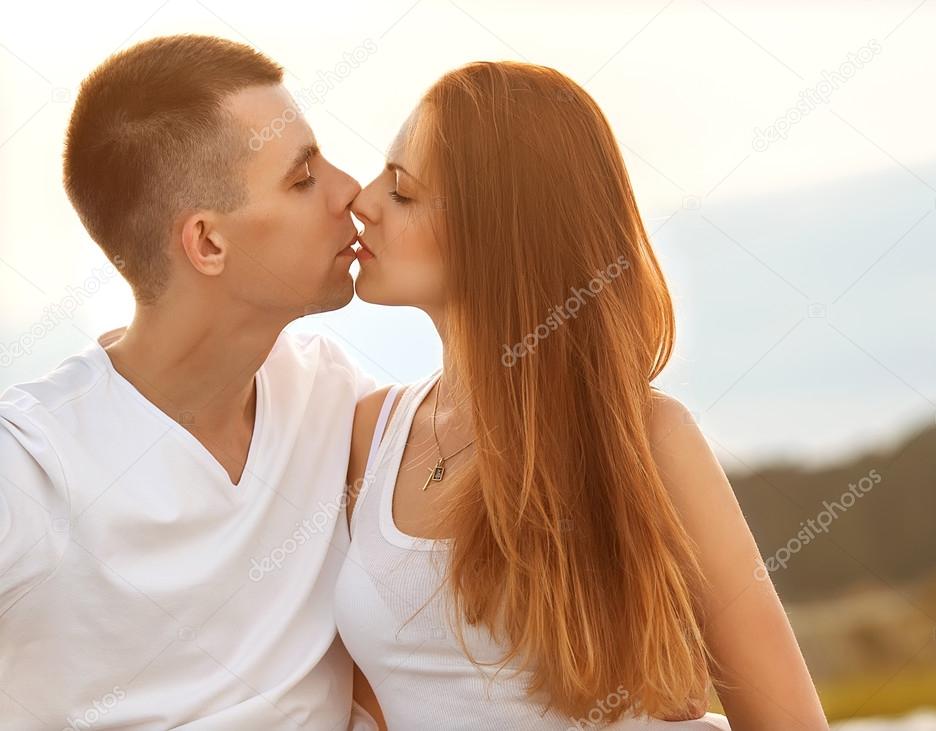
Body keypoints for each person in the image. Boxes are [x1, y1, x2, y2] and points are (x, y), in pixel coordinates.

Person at [336, 61, 830, 730]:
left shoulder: (649, 438)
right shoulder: (371, 430)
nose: (360, 200)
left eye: (401, 189)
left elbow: (787, 721)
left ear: (497, 228)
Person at [0, 35, 378, 729]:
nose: (350, 189)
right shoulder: (29, 464)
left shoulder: (331, 392)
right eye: (301, 179)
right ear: (207, 243)